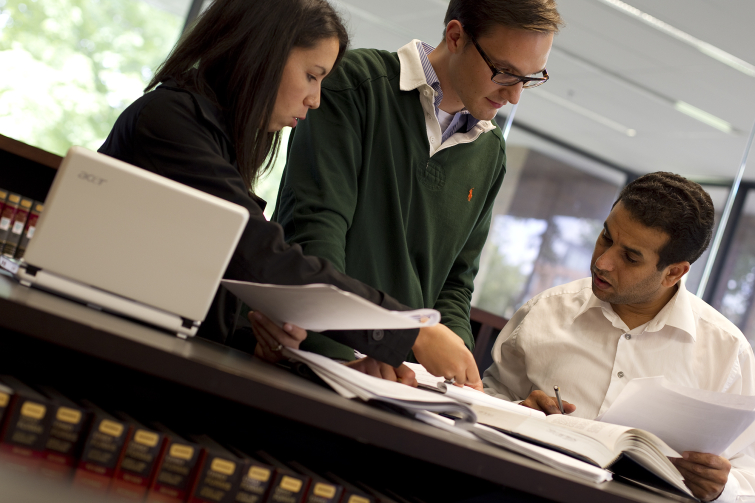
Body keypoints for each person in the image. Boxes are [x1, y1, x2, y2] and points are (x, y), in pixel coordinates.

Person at [97, 0, 481, 389]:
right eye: (312, 76)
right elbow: (259, 254)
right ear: (264, 53)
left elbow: (196, 301)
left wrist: (268, 350)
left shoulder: (217, 138)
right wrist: (409, 329)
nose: (315, 99)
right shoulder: (169, 122)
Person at [273, 0, 562, 365]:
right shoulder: (356, 83)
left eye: (529, 78)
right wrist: (344, 359)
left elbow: (456, 283)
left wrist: (454, 368)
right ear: (456, 37)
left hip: (399, 379)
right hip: (311, 357)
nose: (514, 95)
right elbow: (316, 235)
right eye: (504, 71)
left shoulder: (490, 153)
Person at [482, 172, 755, 502]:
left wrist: (722, 489)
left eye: (630, 257)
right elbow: (487, 400)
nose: (602, 261)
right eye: (606, 237)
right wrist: (519, 412)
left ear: (674, 272)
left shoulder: (727, 353)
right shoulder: (546, 311)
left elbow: (747, 479)